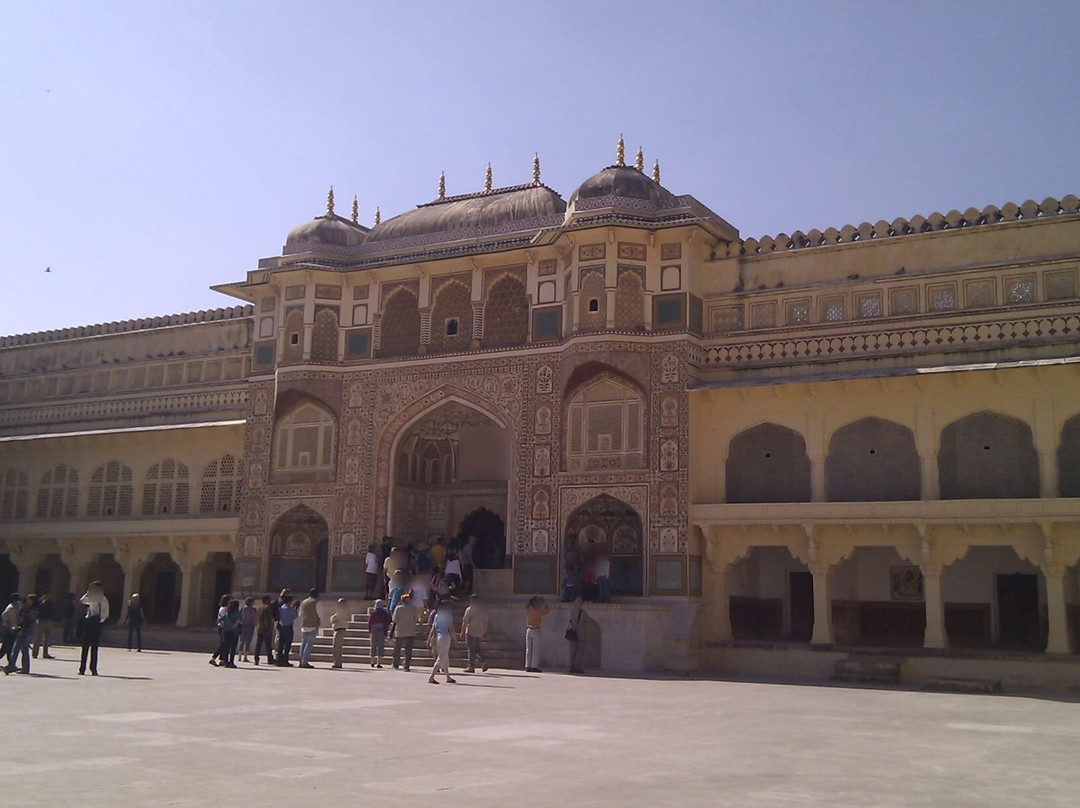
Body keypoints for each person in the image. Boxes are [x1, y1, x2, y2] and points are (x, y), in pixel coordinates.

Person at [79, 580, 109, 676]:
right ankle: (82, 668)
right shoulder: (92, 598)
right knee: (85, 646)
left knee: (94, 647)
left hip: (95, 623)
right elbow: (82, 601)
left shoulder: (103, 599)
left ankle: (93, 668)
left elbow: (105, 613)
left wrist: (99, 621)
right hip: (89, 622)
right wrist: (88, 593)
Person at [427, 602, 456, 685]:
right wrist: (455, 638)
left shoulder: (437, 616)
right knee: (442, 657)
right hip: (445, 637)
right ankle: (431, 677)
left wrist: (429, 638)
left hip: (438, 637)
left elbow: (433, 628)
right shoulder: (448, 615)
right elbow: (451, 628)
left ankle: (448, 677)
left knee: (444, 656)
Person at [460, 594, 489, 673]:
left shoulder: (469, 609)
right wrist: (485, 632)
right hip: (480, 632)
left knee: (471, 650)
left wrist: (462, 632)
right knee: (478, 649)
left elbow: (465, 622)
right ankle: (483, 661)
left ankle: (471, 666)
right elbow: (486, 622)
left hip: (470, 632)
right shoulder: (483, 610)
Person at [391, 591, 417, 671]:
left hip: (400, 631)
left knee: (397, 649)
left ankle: (395, 664)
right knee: (408, 650)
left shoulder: (398, 608)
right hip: (410, 631)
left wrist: (391, 632)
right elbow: (415, 619)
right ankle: (406, 666)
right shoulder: (413, 608)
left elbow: (394, 620)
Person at [524, 596, 551, 673]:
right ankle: (534, 666)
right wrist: (545, 605)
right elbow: (547, 611)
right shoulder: (537, 611)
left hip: (528, 629)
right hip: (535, 630)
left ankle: (528, 665)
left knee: (528, 649)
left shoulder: (528, 609)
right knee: (535, 649)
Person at [297, 588, 320, 669]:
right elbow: (320, 614)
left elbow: (300, 614)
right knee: (309, 644)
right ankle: (304, 662)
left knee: (303, 643)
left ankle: (300, 660)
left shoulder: (304, 602)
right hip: (312, 625)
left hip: (304, 624)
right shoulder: (316, 603)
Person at [368, 599, 391, 668]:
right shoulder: (384, 613)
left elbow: (370, 622)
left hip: (373, 629)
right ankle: (378, 662)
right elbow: (386, 623)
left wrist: (370, 630)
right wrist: (386, 631)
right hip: (381, 629)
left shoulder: (373, 613)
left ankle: (372, 661)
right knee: (380, 646)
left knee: (373, 645)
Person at [32, 591, 56, 659]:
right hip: (41, 621)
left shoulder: (51, 603)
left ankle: (45, 653)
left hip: (49, 621)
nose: (49, 597)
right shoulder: (40, 603)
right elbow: (37, 608)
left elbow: (53, 612)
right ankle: (35, 653)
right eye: (48, 595)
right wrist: (42, 599)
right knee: (38, 638)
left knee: (47, 639)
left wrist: (53, 620)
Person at [566, 597, 587, 674]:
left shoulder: (572, 611)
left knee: (573, 651)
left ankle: (571, 666)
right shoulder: (582, 612)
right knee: (579, 651)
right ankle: (577, 667)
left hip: (573, 632)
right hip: (580, 632)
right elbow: (586, 620)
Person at [253, 594, 275, 665]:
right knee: (268, 645)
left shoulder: (259, 608)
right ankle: (270, 659)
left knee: (258, 645)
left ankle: (256, 658)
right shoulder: (267, 608)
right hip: (265, 629)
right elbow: (267, 619)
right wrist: (268, 629)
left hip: (259, 628)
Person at [220, 599, 242, 668]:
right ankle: (231, 662)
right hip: (234, 632)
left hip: (226, 631)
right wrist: (234, 626)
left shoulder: (227, 613)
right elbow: (238, 621)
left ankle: (225, 662)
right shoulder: (237, 613)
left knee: (226, 647)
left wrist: (225, 626)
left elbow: (220, 621)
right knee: (233, 647)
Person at [276, 592, 296, 666]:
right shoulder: (290, 608)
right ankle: (285, 660)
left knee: (281, 644)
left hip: (282, 626)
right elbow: (294, 616)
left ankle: (279, 659)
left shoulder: (281, 607)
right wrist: (295, 608)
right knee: (287, 645)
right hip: (288, 627)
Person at [1, 595, 21, 668]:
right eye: (17, 600)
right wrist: (7, 625)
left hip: (12, 630)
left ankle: (11, 664)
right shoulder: (10, 608)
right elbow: (4, 617)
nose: (19, 602)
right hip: (7, 630)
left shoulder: (16, 608)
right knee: (8, 648)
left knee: (5, 648)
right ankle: (11, 665)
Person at [209, 594, 229, 666]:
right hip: (223, 628)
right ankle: (213, 658)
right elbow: (223, 619)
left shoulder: (221, 608)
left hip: (221, 627)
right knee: (223, 644)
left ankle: (222, 659)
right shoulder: (224, 609)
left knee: (224, 644)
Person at [330, 598, 349, 669]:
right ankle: (338, 662)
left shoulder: (341, 611)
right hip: (341, 629)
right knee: (338, 647)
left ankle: (337, 663)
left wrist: (332, 618)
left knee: (336, 647)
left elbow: (334, 619)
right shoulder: (345, 610)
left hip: (339, 629)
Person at [239, 596, 257, 662]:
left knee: (242, 640)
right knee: (248, 641)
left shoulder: (243, 608)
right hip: (250, 626)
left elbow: (240, 617)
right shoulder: (254, 609)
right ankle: (245, 657)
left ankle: (240, 656)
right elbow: (255, 617)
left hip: (243, 625)